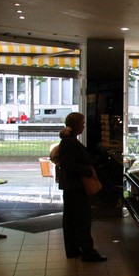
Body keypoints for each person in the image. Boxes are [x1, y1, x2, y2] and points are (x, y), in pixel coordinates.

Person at [56, 112, 106, 262]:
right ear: (76, 125)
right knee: (82, 220)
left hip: (71, 186)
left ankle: (73, 249)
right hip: (76, 186)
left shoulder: (68, 140)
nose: (84, 126)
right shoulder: (70, 142)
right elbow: (70, 165)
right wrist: (88, 171)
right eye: (83, 123)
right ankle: (88, 252)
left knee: (72, 220)